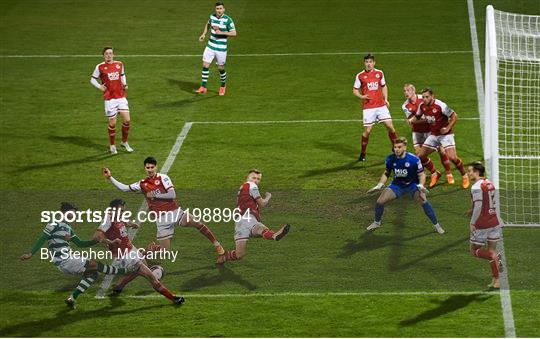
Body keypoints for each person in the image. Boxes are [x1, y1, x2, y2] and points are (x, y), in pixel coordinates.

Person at [102, 156, 225, 259]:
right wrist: (109, 178)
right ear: (144, 168)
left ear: (156, 167)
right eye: (147, 167)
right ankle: (150, 249)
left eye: (152, 167)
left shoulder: (163, 178)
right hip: (161, 220)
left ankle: (217, 245)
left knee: (197, 223)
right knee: (165, 252)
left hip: (175, 212)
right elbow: (124, 188)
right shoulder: (142, 184)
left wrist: (155, 194)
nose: (150, 170)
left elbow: (172, 194)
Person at [20, 202, 128, 309]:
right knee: (95, 264)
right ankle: (124, 271)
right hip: (64, 260)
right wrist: (30, 253)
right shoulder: (54, 224)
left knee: (92, 275)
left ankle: (72, 298)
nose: (75, 216)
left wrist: (96, 241)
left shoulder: (68, 228)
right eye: (73, 213)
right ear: (64, 212)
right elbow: (42, 238)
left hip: (68, 259)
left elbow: (81, 244)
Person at [93, 199, 184, 305]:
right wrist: (111, 241)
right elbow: (97, 236)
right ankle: (173, 298)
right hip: (125, 256)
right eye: (121, 210)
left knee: (140, 267)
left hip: (131, 249)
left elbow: (123, 221)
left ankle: (118, 287)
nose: (122, 212)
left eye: (123, 211)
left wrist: (132, 224)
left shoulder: (116, 215)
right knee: (151, 277)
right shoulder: (107, 220)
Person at [366, 137, 445, 234]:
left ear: (404, 148)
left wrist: (421, 185)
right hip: (397, 185)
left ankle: (437, 225)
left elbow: (421, 174)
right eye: (395, 147)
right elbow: (386, 173)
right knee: (379, 202)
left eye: (399, 147)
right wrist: (380, 184)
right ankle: (377, 223)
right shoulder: (390, 159)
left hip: (412, 185)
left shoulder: (414, 159)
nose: (397, 149)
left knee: (424, 202)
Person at [218, 169, 290, 263]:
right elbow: (262, 203)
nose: (255, 180)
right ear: (248, 178)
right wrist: (268, 196)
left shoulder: (241, 188)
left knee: (240, 254)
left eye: (258, 179)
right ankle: (273, 235)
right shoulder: (251, 185)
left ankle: (224, 257)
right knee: (260, 230)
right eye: (253, 178)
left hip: (241, 222)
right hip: (247, 218)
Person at [414, 87, 469, 188]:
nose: (424, 99)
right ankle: (435, 173)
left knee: (452, 157)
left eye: (427, 97)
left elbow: (454, 116)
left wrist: (448, 128)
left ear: (432, 97)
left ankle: (464, 175)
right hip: (434, 135)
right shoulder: (422, 106)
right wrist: (411, 120)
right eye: (423, 97)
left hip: (445, 135)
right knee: (420, 156)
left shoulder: (441, 105)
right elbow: (417, 116)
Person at [402, 83, 453, 187]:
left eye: (408, 90)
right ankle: (434, 173)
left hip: (430, 130)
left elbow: (434, 110)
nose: (406, 93)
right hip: (417, 132)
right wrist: (427, 118)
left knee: (442, 151)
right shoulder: (405, 106)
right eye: (404, 91)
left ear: (413, 90)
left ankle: (449, 173)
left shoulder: (424, 97)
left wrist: (426, 118)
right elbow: (414, 121)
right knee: (419, 155)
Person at [353, 53, 398, 161]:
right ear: (364, 63)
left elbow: (384, 86)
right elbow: (354, 89)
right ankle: (363, 153)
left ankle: (395, 149)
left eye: (370, 62)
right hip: (368, 107)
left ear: (374, 63)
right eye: (367, 62)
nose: (369, 64)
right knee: (368, 131)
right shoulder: (360, 76)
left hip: (381, 105)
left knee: (390, 127)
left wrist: (386, 99)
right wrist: (362, 96)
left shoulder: (379, 73)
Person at [466, 162, 504, 289]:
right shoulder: (490, 183)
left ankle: (496, 258)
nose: (468, 173)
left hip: (482, 224)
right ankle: (497, 280)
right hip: (494, 221)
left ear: (477, 172)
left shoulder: (476, 186)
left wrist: (472, 222)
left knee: (474, 250)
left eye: (470, 171)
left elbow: (479, 205)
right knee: (491, 250)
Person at [90, 47, 134, 154]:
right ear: (103, 55)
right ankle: (112, 145)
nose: (109, 55)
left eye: (110, 53)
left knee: (127, 120)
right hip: (110, 99)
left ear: (113, 54)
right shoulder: (100, 67)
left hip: (121, 96)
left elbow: (122, 75)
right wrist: (99, 86)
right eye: (106, 54)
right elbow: (92, 79)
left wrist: (125, 83)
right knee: (112, 123)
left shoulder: (119, 64)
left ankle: (124, 142)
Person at [196, 2, 237, 96]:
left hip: (221, 48)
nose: (219, 10)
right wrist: (203, 34)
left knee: (220, 68)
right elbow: (208, 23)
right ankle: (203, 87)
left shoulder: (228, 20)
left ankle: (223, 86)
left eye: (220, 8)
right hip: (210, 45)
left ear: (224, 9)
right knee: (205, 65)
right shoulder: (212, 17)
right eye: (217, 8)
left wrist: (221, 32)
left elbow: (234, 33)